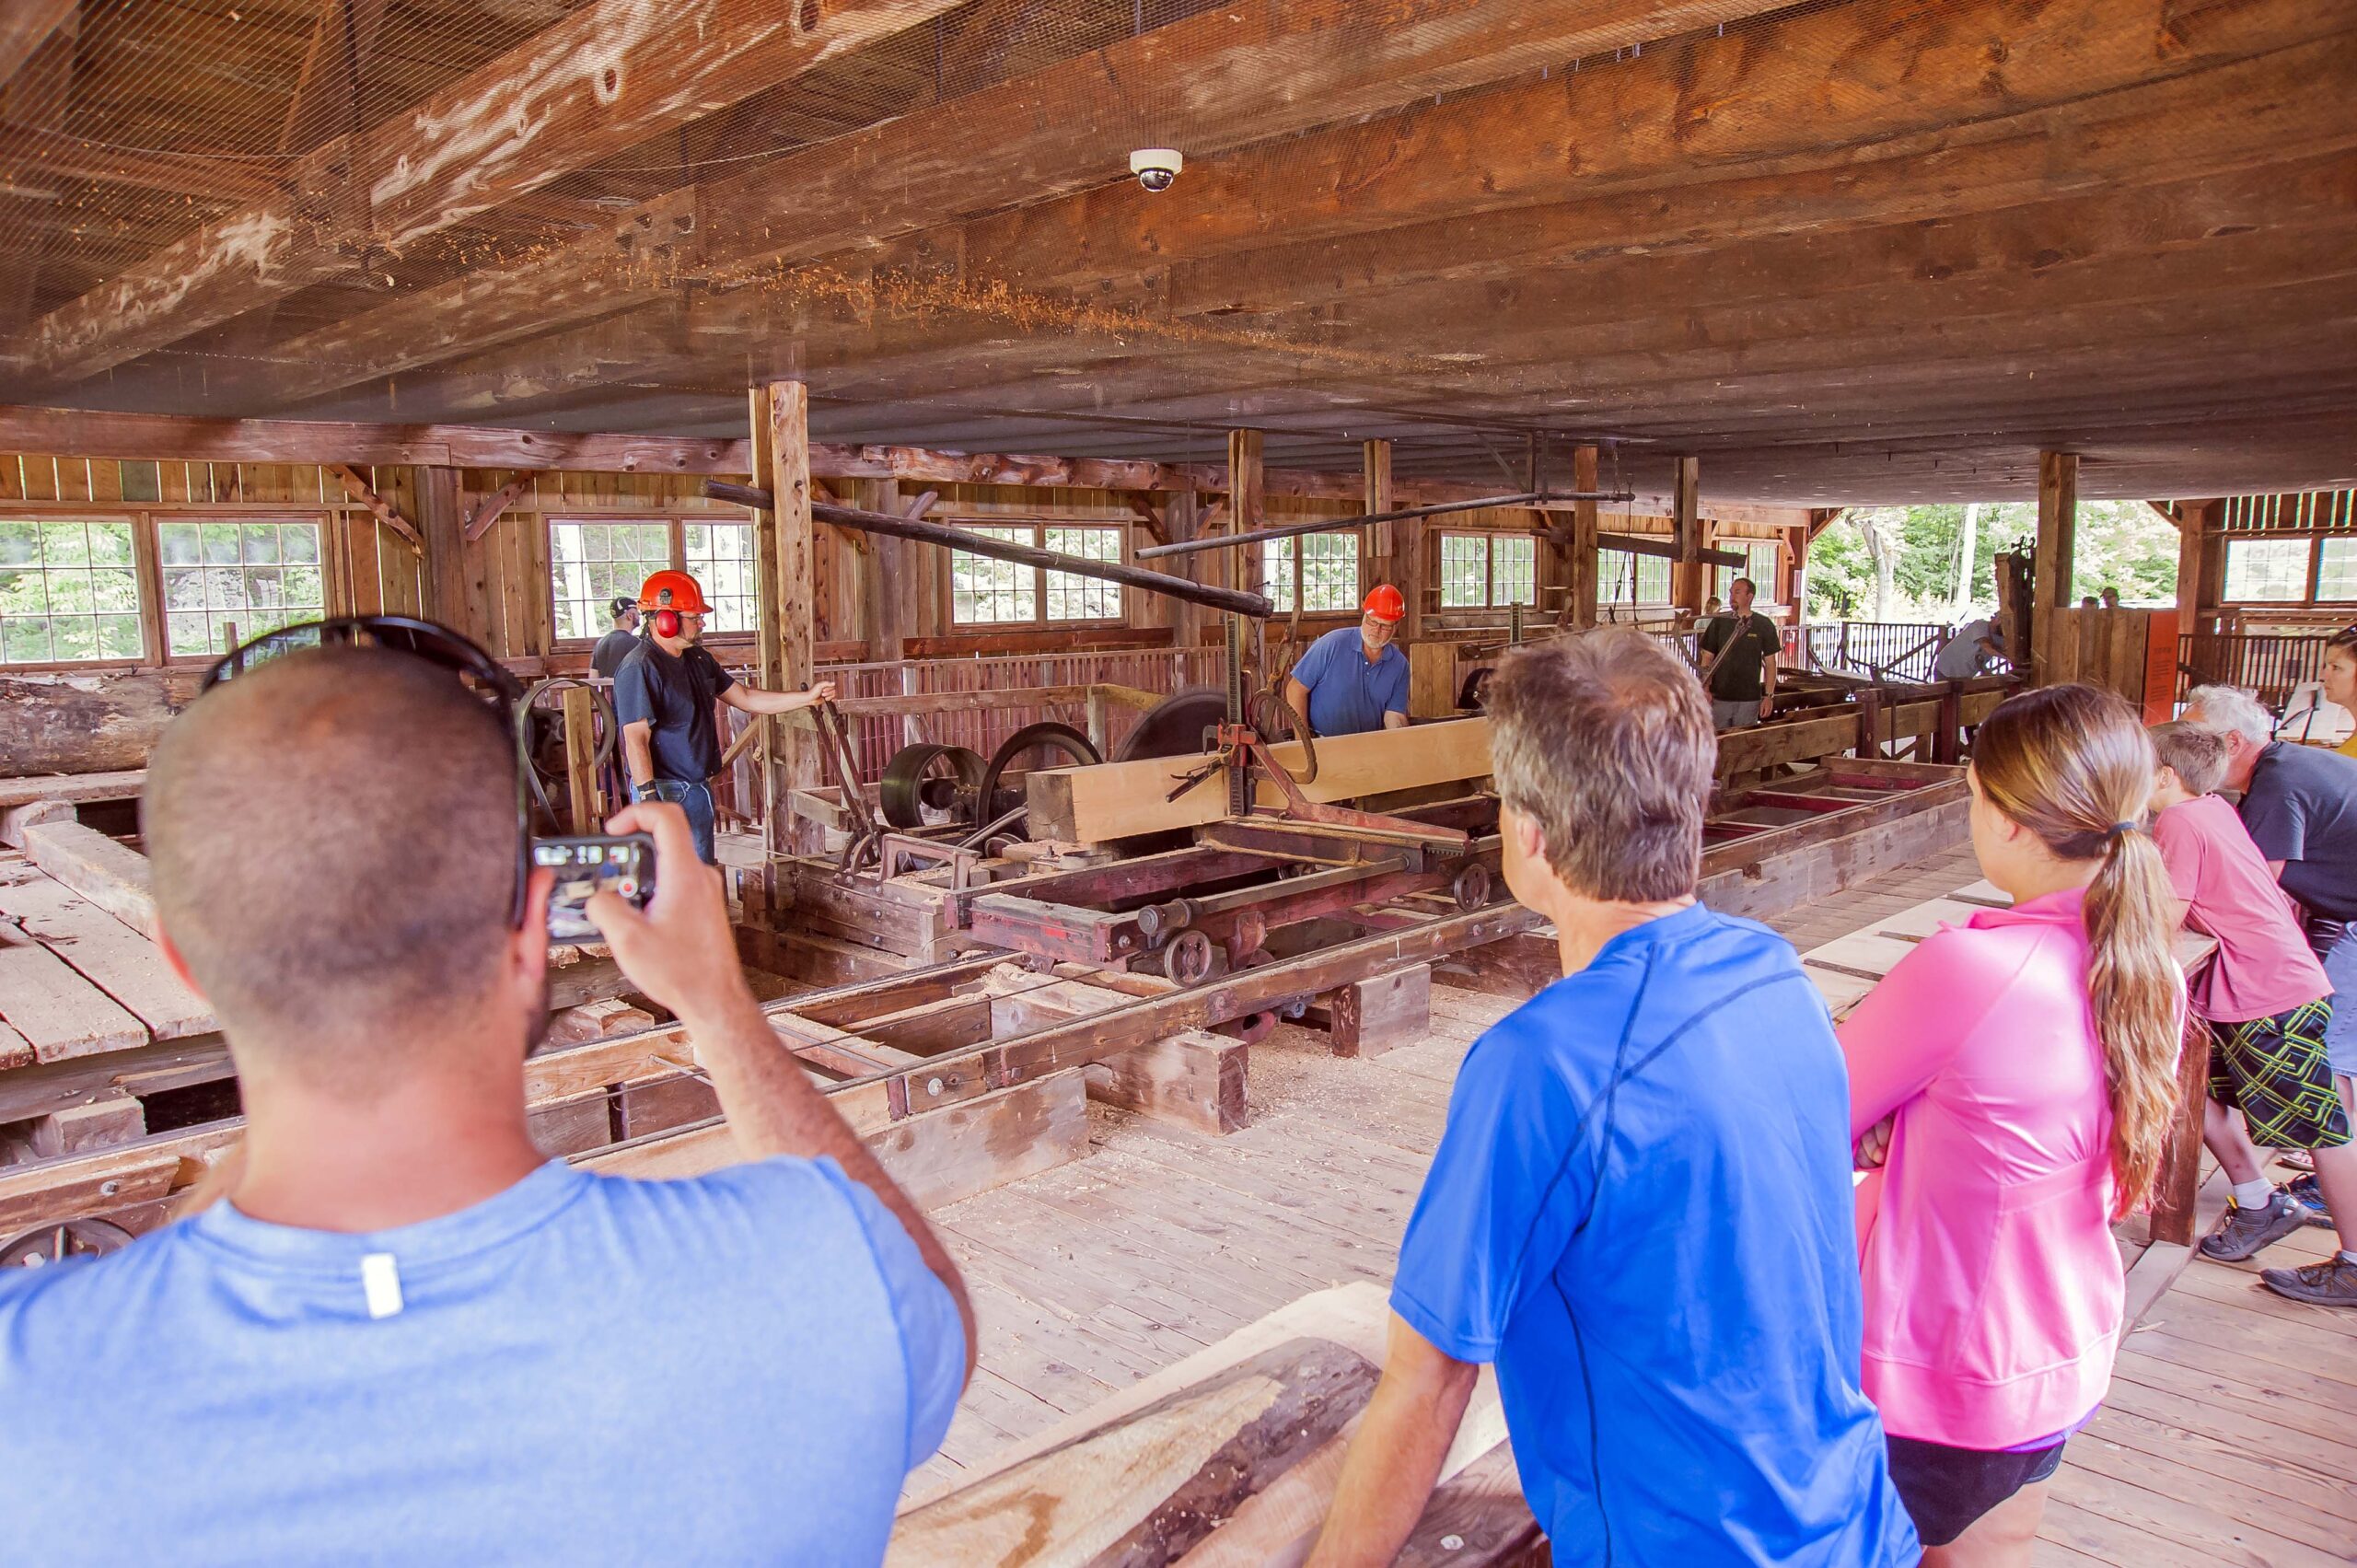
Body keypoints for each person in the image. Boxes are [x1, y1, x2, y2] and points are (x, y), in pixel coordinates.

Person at [0, 631, 971, 1565]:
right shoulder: (821, 1270)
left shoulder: (28, 1378)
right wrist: (720, 1007)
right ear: (531, 925)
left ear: (184, 960)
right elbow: (938, 1320)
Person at [1306, 630, 1917, 1568]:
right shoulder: (1774, 974)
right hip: (1851, 1519)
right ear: (1692, 804)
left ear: (1529, 834)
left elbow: (1429, 1379)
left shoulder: (1543, 1064)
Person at [1840, 683, 2182, 1563]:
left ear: (2013, 822)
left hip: (1944, 1358)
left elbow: (1810, 1115)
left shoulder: (1970, 966)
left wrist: (1885, 1122)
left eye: (1973, 798)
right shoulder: (2143, 964)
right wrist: (1909, 1120)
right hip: (2059, 1339)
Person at [2147, 722, 2357, 1290]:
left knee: (2323, 1130)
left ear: (2164, 776)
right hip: (2254, 986)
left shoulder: (2178, 819)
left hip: (2271, 992)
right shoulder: (2214, 806)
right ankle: (2259, 1199)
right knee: (2193, 1089)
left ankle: (2355, 1264)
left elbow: (2162, 920)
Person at [615, 569, 836, 865]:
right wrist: (649, 797)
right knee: (669, 881)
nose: (702, 623)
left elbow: (745, 698)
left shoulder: (698, 659)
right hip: (666, 790)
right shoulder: (640, 667)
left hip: (696, 788)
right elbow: (636, 738)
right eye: (694, 617)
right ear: (666, 620)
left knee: (700, 875)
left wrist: (806, 698)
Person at [1283, 584, 1411, 737]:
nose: (1375, 631)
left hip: (1368, 745)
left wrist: (1402, 744)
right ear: (1364, 615)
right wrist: (1302, 740)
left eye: (1384, 626)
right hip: (1322, 743)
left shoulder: (1399, 665)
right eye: (1372, 621)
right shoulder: (1332, 644)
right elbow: (1295, 689)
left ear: (1396, 626)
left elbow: (1394, 715)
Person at [1696, 575, 1780, 729]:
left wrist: (1768, 696)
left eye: (1737, 592)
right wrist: (1705, 688)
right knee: (1717, 745)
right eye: (1731, 592)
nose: (1732, 596)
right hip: (1719, 698)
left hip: (1748, 699)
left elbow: (1770, 663)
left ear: (1750, 596)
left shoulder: (1763, 625)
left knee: (1744, 745)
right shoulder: (1719, 622)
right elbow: (1707, 658)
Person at [1933, 618, 2008, 681]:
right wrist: (2009, 658)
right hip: (1946, 668)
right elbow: (1987, 647)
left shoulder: (2000, 638)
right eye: (2000, 618)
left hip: (1964, 674)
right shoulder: (1980, 625)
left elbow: (1979, 658)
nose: (2001, 622)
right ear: (1993, 618)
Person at [589, 595, 640, 678]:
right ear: (630, 616)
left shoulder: (600, 643)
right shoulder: (635, 643)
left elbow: (593, 677)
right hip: (626, 690)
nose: (639, 616)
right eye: (637, 613)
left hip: (604, 690)